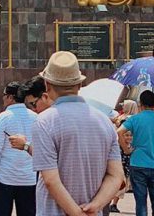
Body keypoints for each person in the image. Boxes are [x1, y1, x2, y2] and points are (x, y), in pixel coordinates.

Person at [30, 51, 123, 216]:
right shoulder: (104, 121)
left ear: (47, 85)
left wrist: (76, 213)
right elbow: (116, 176)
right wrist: (95, 206)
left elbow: (50, 180)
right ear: (80, 85)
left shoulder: (45, 121)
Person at [0, 81, 36, 216]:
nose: (2, 98)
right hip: (29, 177)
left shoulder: (3, 118)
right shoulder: (35, 117)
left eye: (4, 95)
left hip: (5, 177)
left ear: (10, 97)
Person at [119, 89, 154, 216]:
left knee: (140, 201)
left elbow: (119, 132)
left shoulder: (135, 119)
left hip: (138, 163)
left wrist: (126, 149)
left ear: (140, 103)